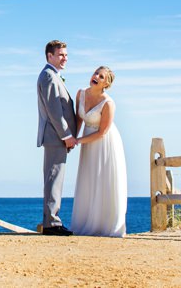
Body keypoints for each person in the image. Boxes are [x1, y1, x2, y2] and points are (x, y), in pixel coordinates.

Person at [71, 66, 128, 237]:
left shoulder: (108, 103)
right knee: (88, 178)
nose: (96, 76)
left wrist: (78, 140)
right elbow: (78, 119)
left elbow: (102, 132)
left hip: (105, 143)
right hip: (87, 140)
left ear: (106, 84)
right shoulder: (81, 94)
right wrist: (72, 138)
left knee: (103, 179)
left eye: (101, 76)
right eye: (96, 73)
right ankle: (85, 223)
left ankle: (106, 225)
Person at [36, 39, 77, 236]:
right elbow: (55, 111)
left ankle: (51, 221)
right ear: (49, 56)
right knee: (54, 178)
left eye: (66, 55)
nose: (65, 58)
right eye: (61, 55)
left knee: (55, 177)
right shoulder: (49, 76)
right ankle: (52, 223)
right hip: (55, 136)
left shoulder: (53, 76)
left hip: (56, 136)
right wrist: (67, 135)